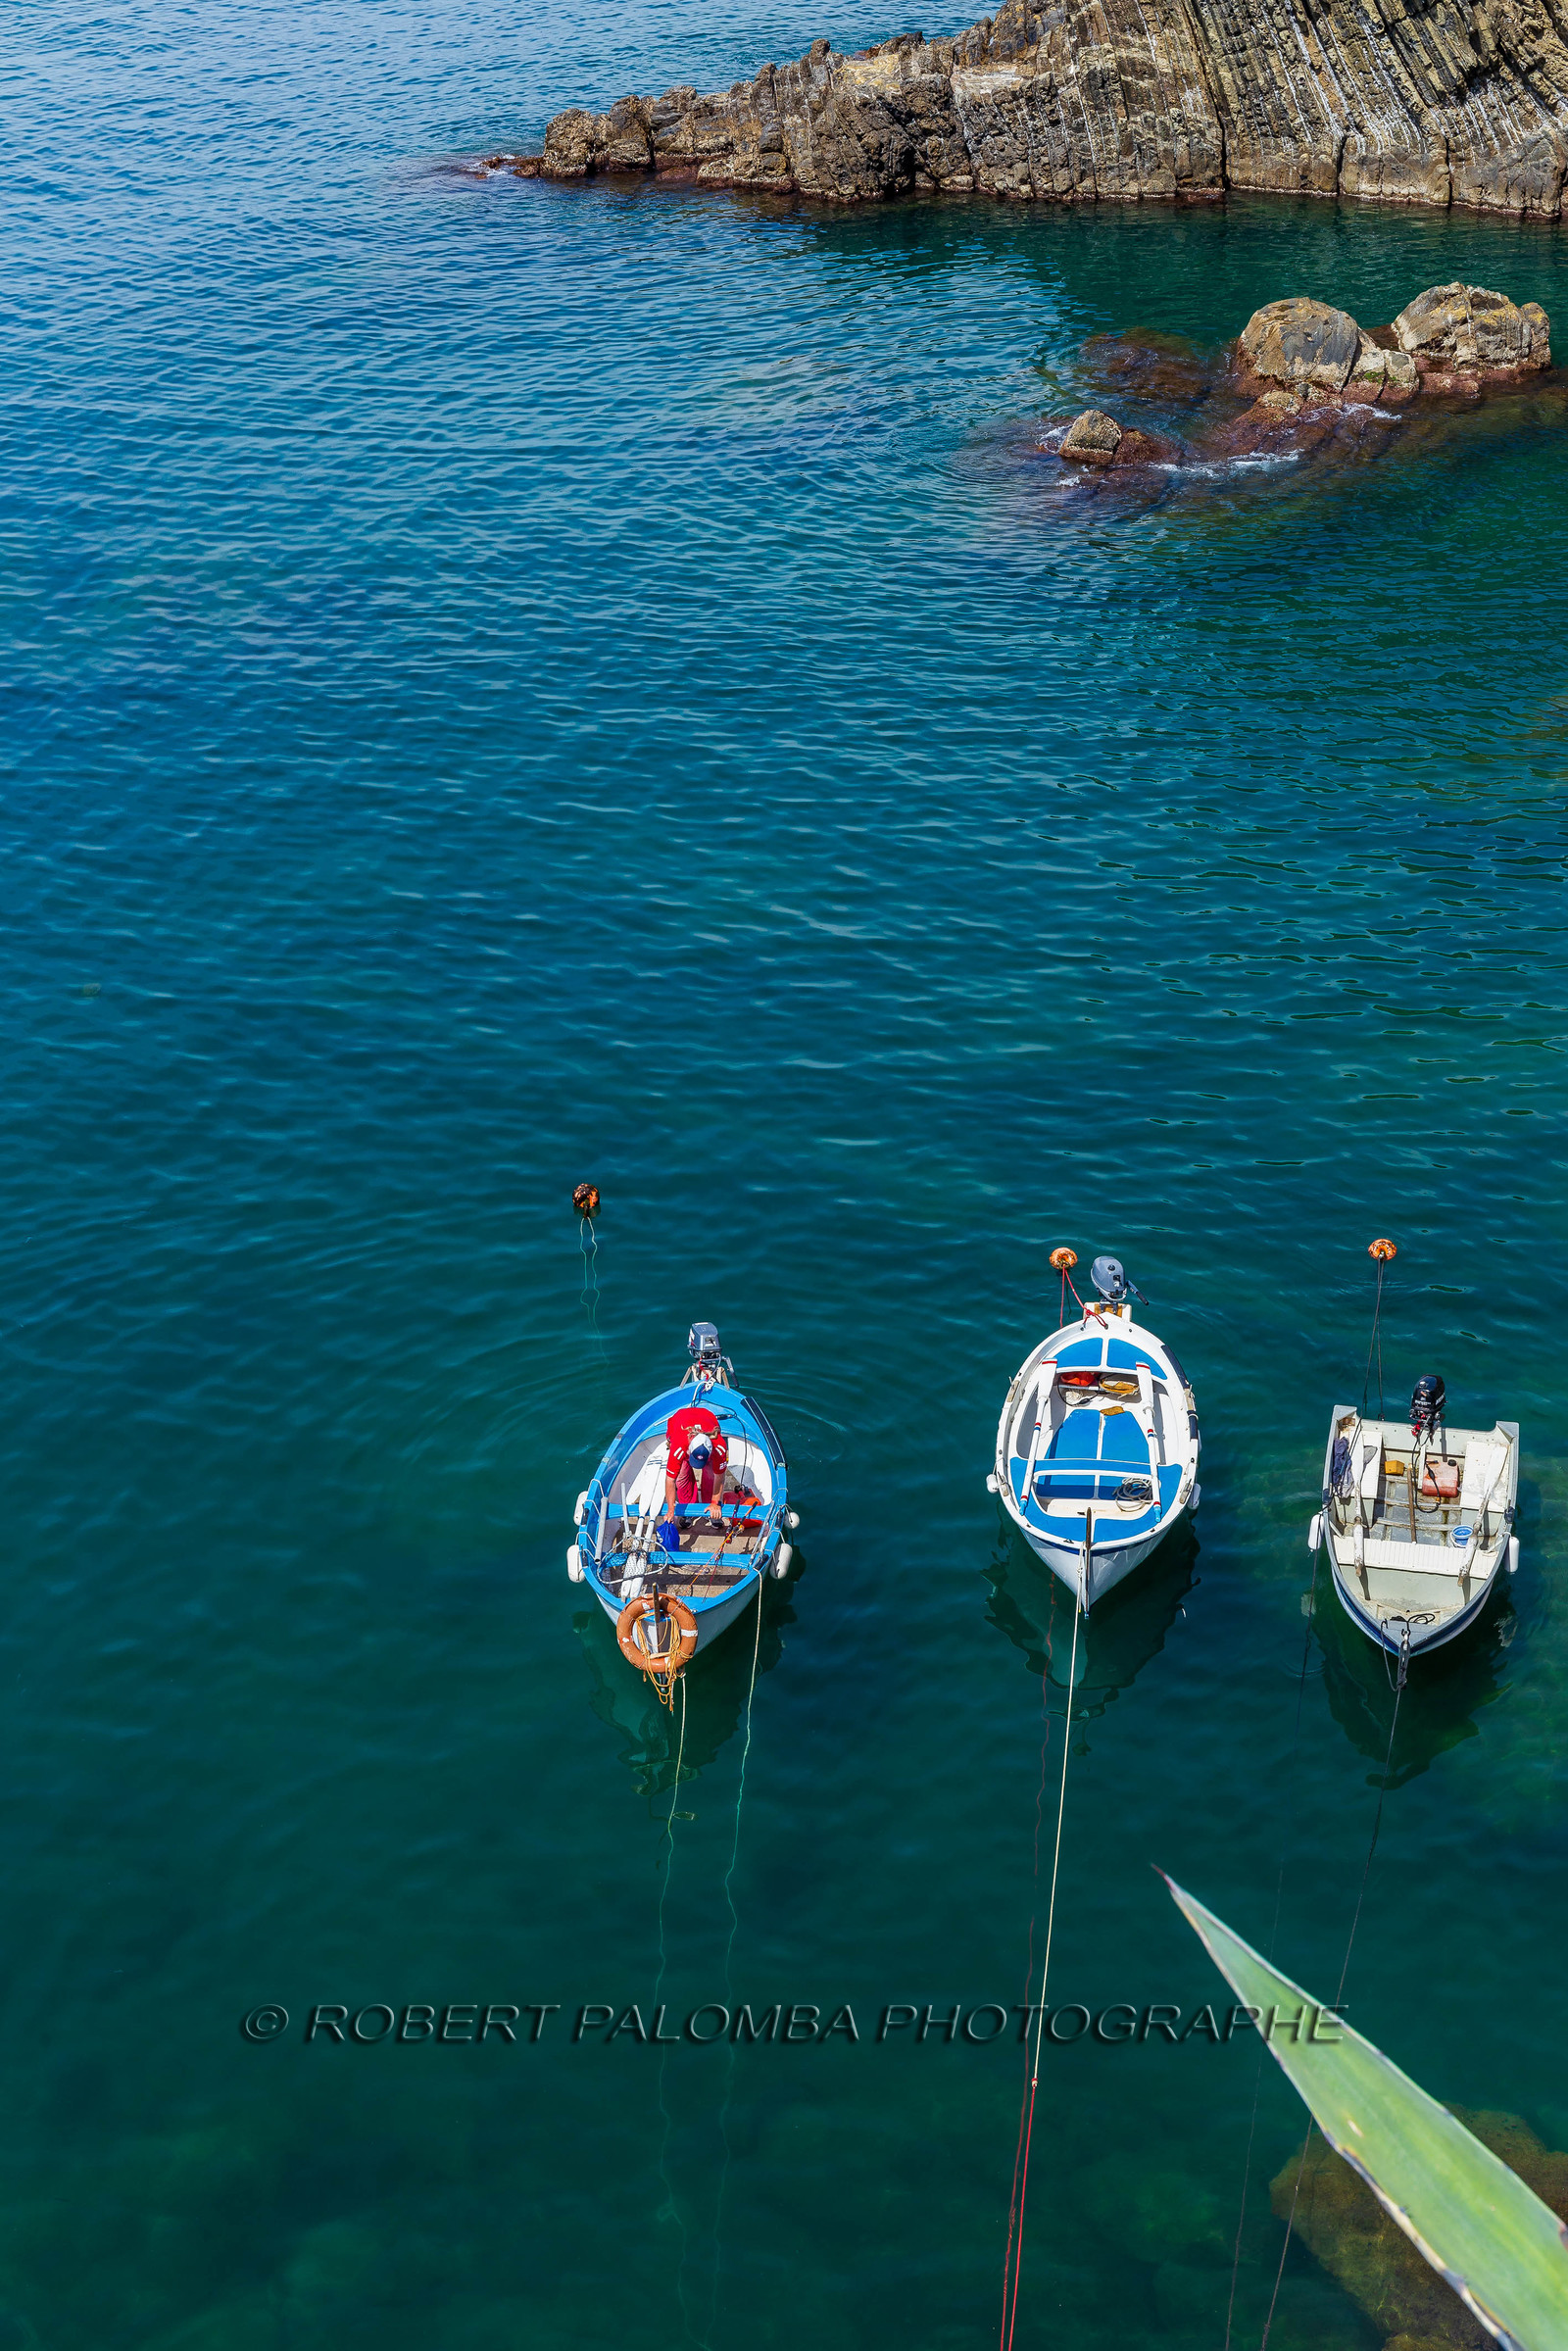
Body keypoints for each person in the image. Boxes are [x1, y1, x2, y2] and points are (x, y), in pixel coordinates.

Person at [662, 1403, 756, 1548]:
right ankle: (689, 1507)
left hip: (707, 1419)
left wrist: (715, 1503)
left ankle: (708, 1506)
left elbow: (720, 1477)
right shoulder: (679, 1446)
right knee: (681, 1475)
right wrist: (671, 1509)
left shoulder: (719, 1448)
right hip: (680, 1421)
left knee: (712, 1474)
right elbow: (670, 1479)